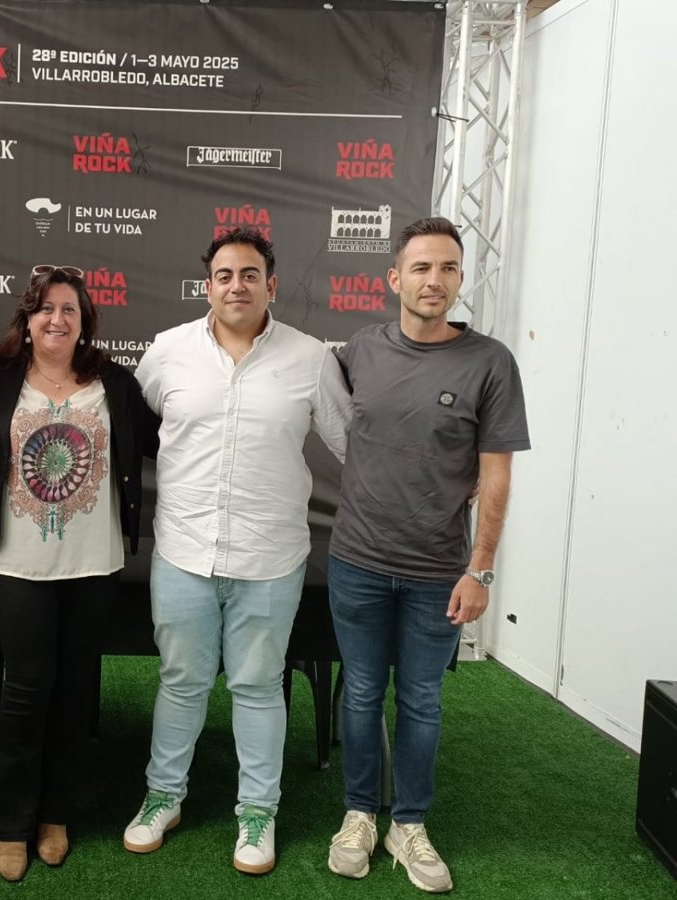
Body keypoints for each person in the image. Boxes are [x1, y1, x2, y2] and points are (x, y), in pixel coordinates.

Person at [122, 226, 352, 874]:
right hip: (183, 552)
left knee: (257, 686)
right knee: (181, 681)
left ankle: (257, 812)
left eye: (250, 274)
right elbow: (127, 426)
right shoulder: (167, 352)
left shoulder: (311, 359)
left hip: (270, 558)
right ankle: (163, 796)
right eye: (224, 275)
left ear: (271, 285)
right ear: (208, 286)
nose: (237, 286)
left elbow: (356, 447)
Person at [325, 216, 529, 893]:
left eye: (447, 268)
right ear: (394, 278)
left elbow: (495, 476)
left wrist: (481, 567)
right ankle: (359, 815)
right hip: (355, 561)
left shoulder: (491, 362)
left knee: (420, 701)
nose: (433, 280)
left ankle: (407, 824)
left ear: (461, 278)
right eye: (420, 267)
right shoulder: (360, 350)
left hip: (438, 573)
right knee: (360, 694)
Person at [0, 265, 159, 881]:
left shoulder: (115, 383)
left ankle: (56, 817)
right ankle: (10, 822)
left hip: (94, 560)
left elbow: (167, 440)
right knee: (24, 689)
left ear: (85, 321)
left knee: (74, 689)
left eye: (70, 309)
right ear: (27, 319)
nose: (57, 319)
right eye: (46, 308)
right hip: (18, 560)